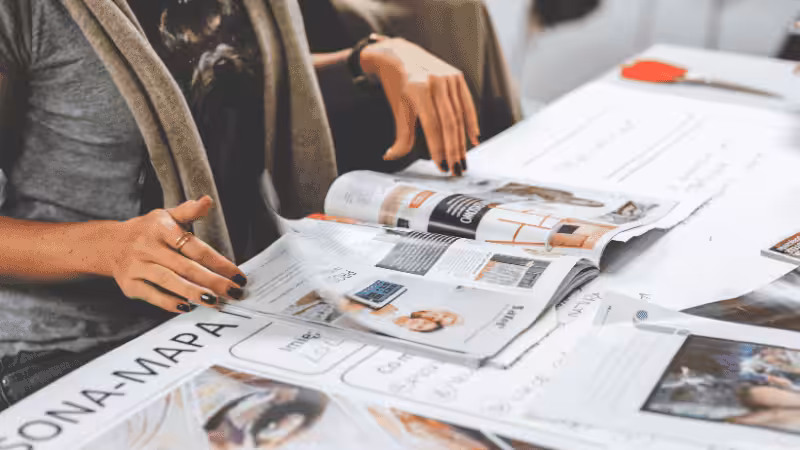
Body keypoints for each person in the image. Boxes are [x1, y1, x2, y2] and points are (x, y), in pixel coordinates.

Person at [0, 0, 507, 409]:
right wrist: (109, 247)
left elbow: (221, 80)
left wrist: (370, 60)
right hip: (70, 350)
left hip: (239, 303)